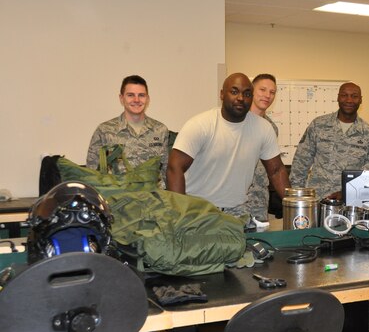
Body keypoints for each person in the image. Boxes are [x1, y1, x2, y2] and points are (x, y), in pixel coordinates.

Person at [166, 73, 290, 219]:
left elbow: (276, 171)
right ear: (222, 94)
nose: (240, 98)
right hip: (199, 208)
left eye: (247, 94)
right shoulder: (200, 125)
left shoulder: (264, 128)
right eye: (234, 91)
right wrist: (181, 214)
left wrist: (294, 204)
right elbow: (174, 168)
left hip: (237, 211)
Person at [289, 82, 369, 199]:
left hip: (351, 201)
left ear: (361, 100)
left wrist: (346, 193)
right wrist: (298, 197)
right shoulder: (318, 125)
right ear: (338, 97)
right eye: (344, 95)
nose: (349, 100)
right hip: (317, 199)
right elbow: (301, 162)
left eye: (354, 96)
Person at [86, 75, 168, 184]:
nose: (136, 100)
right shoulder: (105, 130)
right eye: (130, 95)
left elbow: (166, 170)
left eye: (141, 95)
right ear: (121, 98)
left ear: (147, 99)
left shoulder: (160, 130)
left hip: (152, 197)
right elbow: (93, 173)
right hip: (118, 198)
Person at [245, 73, 280, 221]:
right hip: (236, 200)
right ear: (252, 90)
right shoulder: (238, 120)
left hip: (259, 201)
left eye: (272, 92)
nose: (267, 95)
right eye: (262, 90)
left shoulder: (271, 128)